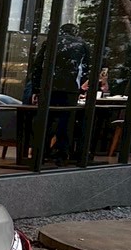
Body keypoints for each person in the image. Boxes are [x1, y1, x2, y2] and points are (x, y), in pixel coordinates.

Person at [29, 23, 91, 164]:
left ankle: (40, 152)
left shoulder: (50, 42)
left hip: (49, 87)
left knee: (45, 120)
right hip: (70, 88)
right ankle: (61, 154)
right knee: (66, 122)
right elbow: (86, 69)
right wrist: (81, 89)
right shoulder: (82, 45)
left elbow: (37, 66)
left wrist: (36, 89)